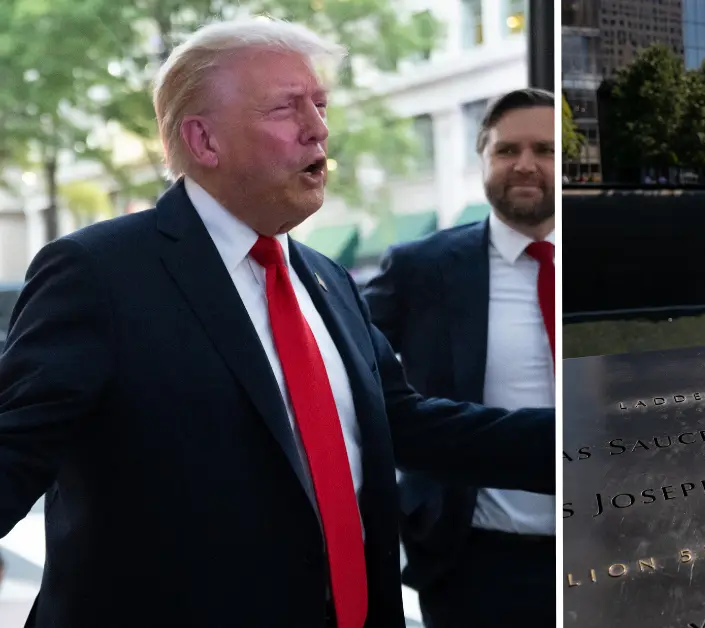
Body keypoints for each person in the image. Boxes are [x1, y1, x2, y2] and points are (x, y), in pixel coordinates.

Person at [0, 19, 553, 628]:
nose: (318, 129)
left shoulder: (327, 278)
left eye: (319, 106)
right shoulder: (97, 273)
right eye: (287, 109)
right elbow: (14, 452)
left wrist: (585, 441)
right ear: (204, 141)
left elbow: (406, 424)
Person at [362, 88, 555, 627]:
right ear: (483, 158)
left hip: (607, 536)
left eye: (544, 149)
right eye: (506, 150)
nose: (525, 164)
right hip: (470, 558)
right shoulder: (419, 268)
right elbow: (347, 369)